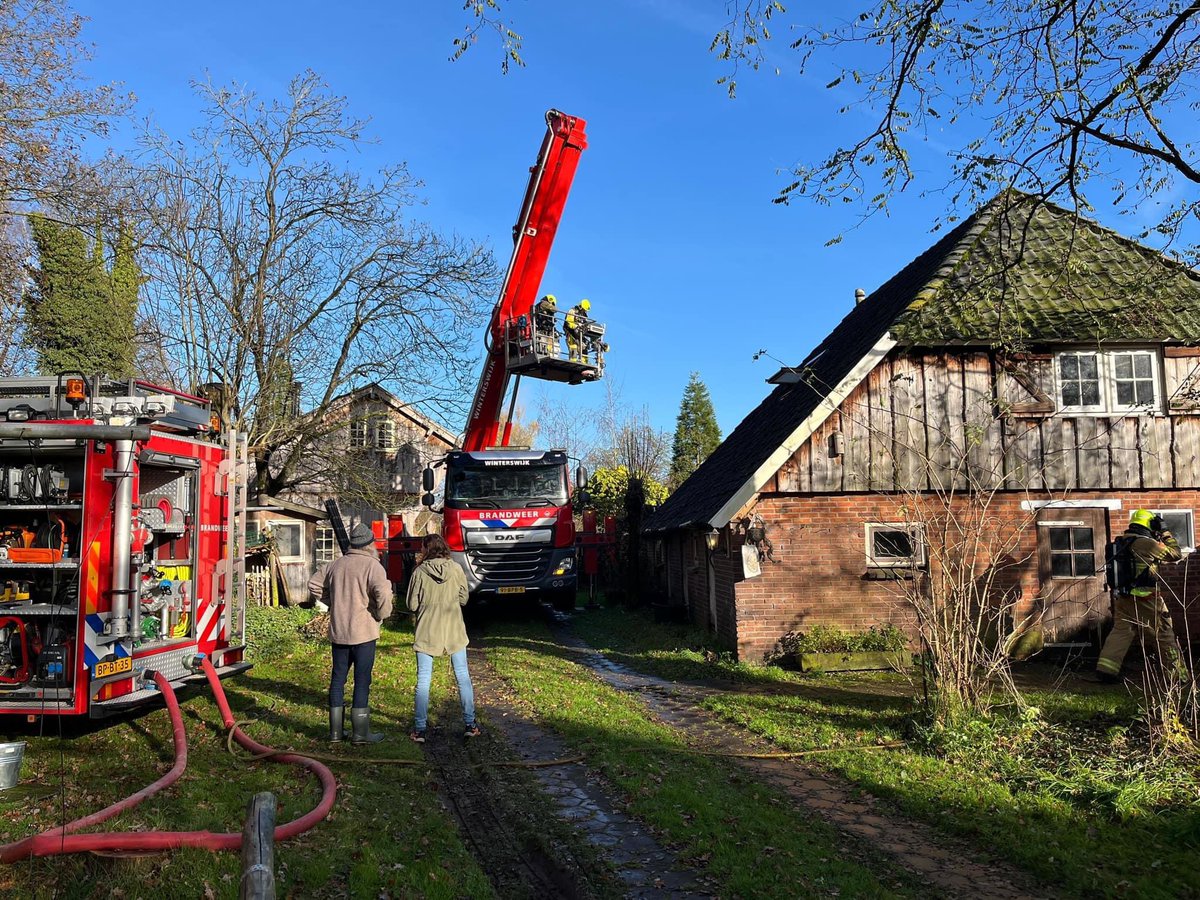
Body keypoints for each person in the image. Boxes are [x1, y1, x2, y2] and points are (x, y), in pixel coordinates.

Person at [308, 521, 393, 744]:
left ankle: (335, 733)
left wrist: (331, 602)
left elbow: (313, 584)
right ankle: (360, 734)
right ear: (369, 545)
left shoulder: (336, 564)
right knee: (362, 680)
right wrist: (380, 614)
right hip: (363, 633)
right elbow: (384, 595)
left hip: (339, 632)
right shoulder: (373, 566)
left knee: (338, 679)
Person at [1094, 509, 1186, 683]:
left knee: (1121, 632)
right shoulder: (1146, 543)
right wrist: (1165, 532)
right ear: (1149, 525)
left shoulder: (1122, 542)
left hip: (1123, 597)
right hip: (1146, 598)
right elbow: (1176, 554)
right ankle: (1178, 677)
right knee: (1163, 633)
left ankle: (1106, 671)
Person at [406, 533, 480, 742]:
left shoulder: (419, 572)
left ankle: (419, 729)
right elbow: (464, 599)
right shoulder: (456, 569)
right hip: (454, 631)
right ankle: (470, 724)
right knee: (463, 677)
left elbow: (411, 605)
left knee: (423, 681)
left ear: (425, 549)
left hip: (427, 632)